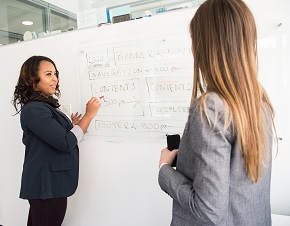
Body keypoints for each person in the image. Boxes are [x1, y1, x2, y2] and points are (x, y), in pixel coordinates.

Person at [158, 0, 276, 225]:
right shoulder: (259, 103)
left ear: (205, 45)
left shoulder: (212, 107)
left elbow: (209, 210)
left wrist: (164, 170)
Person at [12, 55, 101, 226]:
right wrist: (89, 115)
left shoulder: (44, 106)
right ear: (32, 79)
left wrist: (74, 127)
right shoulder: (34, 109)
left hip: (50, 185)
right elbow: (65, 142)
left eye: (55, 73)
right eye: (48, 74)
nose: (55, 78)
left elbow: (58, 139)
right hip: (47, 186)